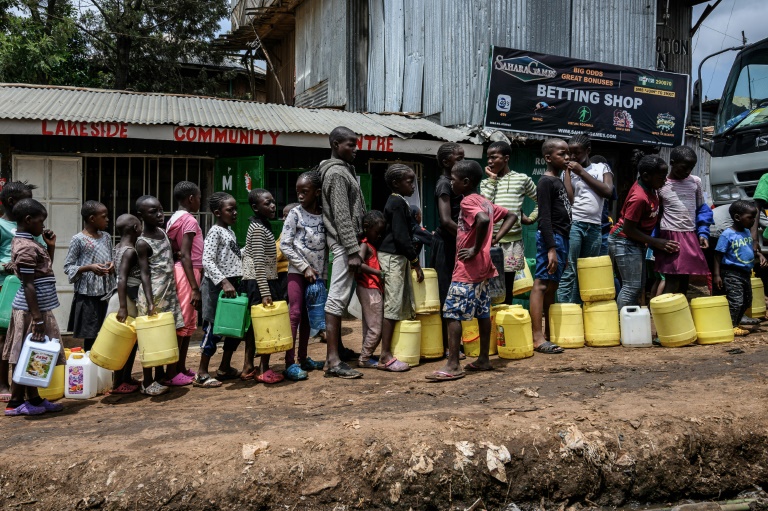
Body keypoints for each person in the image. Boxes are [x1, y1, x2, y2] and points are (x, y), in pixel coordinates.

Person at [427, 160, 517, 381]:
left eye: (454, 180)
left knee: (452, 313)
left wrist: (475, 248)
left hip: (467, 269)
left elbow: (483, 219)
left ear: (465, 182)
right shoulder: (485, 201)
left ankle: (453, 365)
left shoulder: (468, 202)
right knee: (483, 312)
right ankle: (484, 359)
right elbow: (511, 215)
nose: (451, 182)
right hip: (484, 269)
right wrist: (494, 238)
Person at [3, 198, 64, 416]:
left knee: (35, 355)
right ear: (28, 220)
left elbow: (43, 270)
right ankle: (15, 402)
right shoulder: (25, 247)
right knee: (26, 356)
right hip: (30, 312)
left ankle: (34, 399)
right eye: (40, 221)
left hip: (36, 309)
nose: (43, 226)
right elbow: (29, 284)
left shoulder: (30, 241)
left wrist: (50, 247)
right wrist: (37, 319)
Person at [317, 126, 366, 379]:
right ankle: (333, 360)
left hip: (345, 243)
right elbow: (342, 216)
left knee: (341, 298)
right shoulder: (336, 173)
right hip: (343, 243)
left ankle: (338, 352)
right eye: (351, 144)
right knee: (336, 299)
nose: (356, 149)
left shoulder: (344, 170)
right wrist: (352, 250)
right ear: (336, 144)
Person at [609, 155, 677, 310]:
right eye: (661, 178)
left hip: (635, 241)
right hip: (623, 240)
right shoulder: (639, 198)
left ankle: (630, 323)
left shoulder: (652, 188)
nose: (665, 181)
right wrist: (656, 242)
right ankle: (622, 325)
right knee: (631, 287)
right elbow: (628, 229)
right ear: (646, 176)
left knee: (638, 286)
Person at [377, 164, 424, 373]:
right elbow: (401, 236)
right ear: (396, 183)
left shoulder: (400, 201)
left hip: (398, 258)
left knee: (400, 305)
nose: (413, 185)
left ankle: (397, 349)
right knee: (393, 305)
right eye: (409, 181)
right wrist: (415, 261)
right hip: (392, 258)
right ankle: (384, 355)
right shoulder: (396, 202)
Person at [135, 195, 184, 396]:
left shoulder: (163, 233)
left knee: (165, 336)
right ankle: (147, 382)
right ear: (141, 216)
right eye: (153, 212)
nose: (159, 214)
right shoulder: (142, 242)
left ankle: (161, 375)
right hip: (154, 295)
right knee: (151, 339)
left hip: (169, 293)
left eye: (160, 209)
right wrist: (150, 302)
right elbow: (144, 273)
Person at [280, 173, 326, 381]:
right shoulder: (295, 214)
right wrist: (304, 267)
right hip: (297, 272)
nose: (299, 196)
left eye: (304, 192)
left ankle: (304, 357)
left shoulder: (325, 215)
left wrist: (320, 273)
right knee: (295, 314)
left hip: (318, 275)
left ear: (316, 193)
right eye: (297, 191)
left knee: (309, 318)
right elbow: (285, 245)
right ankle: (290, 363)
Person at [194, 192, 244, 388]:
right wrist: (224, 282)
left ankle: (225, 367)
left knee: (233, 328)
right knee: (213, 329)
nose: (234, 213)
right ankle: (201, 373)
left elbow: (232, 257)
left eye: (235, 209)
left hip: (232, 285)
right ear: (217, 212)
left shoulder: (229, 232)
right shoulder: (215, 231)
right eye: (230, 210)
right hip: (217, 287)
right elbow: (207, 261)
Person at [557, 134, 614, 304]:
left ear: (588, 151)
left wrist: (581, 172)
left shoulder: (601, 168)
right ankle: (565, 311)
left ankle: (578, 311)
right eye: (569, 153)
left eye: (577, 153)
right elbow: (570, 199)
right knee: (570, 270)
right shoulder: (567, 172)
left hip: (595, 226)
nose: (572, 157)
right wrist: (568, 173)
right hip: (575, 224)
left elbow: (607, 191)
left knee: (586, 271)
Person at [480, 140, 538, 304]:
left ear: (506, 158)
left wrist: (531, 218)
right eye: (488, 158)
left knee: (507, 288)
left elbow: (540, 200)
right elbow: (485, 207)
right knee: (489, 287)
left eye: (494, 157)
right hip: (490, 242)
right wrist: (492, 179)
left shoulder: (522, 179)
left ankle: (504, 325)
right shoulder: (486, 183)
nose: (490, 161)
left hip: (512, 243)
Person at [530, 138, 572, 354]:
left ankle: (548, 333)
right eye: (562, 154)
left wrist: (568, 173)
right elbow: (544, 217)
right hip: (551, 237)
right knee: (542, 284)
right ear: (548, 158)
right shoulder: (545, 182)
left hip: (562, 237)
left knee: (553, 286)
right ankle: (537, 337)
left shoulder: (558, 180)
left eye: (568, 154)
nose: (567, 157)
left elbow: (570, 200)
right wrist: (551, 248)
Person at [240, 188, 284, 384]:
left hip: (260, 281)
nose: (273, 205)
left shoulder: (261, 225)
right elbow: (258, 262)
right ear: (255, 207)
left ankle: (249, 366)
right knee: (266, 324)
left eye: (273, 201)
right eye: (267, 203)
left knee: (255, 326)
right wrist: (266, 292)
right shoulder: (258, 229)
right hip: (261, 283)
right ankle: (264, 369)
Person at [0, 181, 38, 403]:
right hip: (6, 287)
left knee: (24, 336)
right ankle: (3, 382)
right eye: (27, 199)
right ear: (12, 202)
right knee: (4, 336)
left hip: (28, 288)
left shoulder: (30, 224)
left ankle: (22, 383)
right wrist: (6, 264)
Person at [653, 146, 710, 295]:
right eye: (684, 168)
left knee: (685, 277)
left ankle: (680, 312)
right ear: (672, 163)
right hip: (670, 234)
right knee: (672, 278)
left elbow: (702, 209)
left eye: (691, 168)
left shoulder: (695, 182)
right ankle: (664, 313)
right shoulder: (662, 184)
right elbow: (655, 213)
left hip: (690, 234)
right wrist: (653, 239)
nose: (687, 172)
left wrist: (703, 233)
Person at [164, 181, 203, 386]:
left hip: (183, 271)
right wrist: (195, 288)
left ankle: (180, 367)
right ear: (190, 198)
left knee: (187, 322)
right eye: (198, 197)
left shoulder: (174, 219)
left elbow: (176, 249)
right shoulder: (188, 220)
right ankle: (171, 373)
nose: (199, 201)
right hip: (188, 273)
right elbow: (186, 255)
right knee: (182, 323)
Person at [64, 201, 116, 352]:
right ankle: (91, 368)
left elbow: (111, 258)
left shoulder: (106, 237)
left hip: (107, 293)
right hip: (88, 295)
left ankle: (104, 370)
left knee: (108, 332)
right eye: (104, 217)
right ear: (92, 218)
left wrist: (112, 265)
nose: (107, 220)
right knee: (91, 335)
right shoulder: (78, 239)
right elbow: (68, 267)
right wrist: (89, 268)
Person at [431, 142, 465, 354]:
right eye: (459, 159)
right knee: (446, 294)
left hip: (455, 243)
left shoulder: (456, 184)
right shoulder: (444, 184)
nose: (463, 162)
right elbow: (445, 220)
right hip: (446, 245)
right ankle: (447, 346)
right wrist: (468, 238)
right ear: (446, 162)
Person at [104, 214, 143, 394]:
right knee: (124, 343)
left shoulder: (118, 247)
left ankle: (125, 378)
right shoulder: (130, 251)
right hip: (125, 299)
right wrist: (123, 306)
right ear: (136, 228)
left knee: (128, 341)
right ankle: (119, 382)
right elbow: (122, 279)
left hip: (121, 298)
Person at [714, 200, 763, 337]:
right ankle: (732, 325)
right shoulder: (727, 235)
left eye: (754, 217)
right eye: (750, 217)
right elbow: (718, 255)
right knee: (736, 300)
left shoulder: (747, 232)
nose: (753, 221)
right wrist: (717, 275)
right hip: (731, 272)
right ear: (737, 217)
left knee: (747, 299)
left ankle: (738, 320)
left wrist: (759, 255)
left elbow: (749, 249)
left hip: (745, 272)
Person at [356, 210, 385, 369]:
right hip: (369, 288)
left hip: (369, 288)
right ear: (367, 227)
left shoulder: (370, 244)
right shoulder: (365, 245)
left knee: (369, 326)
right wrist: (377, 272)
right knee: (376, 328)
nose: (379, 236)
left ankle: (365, 355)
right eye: (377, 232)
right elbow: (358, 264)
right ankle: (365, 358)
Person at [275, 203, 298, 304]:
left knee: (283, 300)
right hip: (286, 271)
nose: (283, 219)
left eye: (286, 216)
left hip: (284, 272)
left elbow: (277, 254)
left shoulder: (288, 232)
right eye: (283, 216)